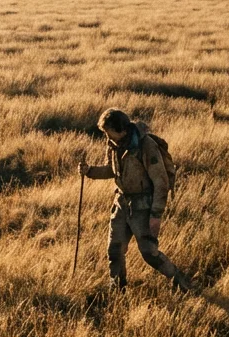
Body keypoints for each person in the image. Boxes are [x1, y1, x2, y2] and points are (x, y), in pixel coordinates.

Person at [78, 108, 194, 292]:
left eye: (110, 133)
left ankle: (182, 284)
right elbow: (112, 170)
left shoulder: (146, 146)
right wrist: (90, 171)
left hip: (143, 207)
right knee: (114, 250)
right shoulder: (114, 145)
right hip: (121, 204)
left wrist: (156, 215)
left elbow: (161, 182)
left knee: (149, 253)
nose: (108, 139)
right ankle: (117, 289)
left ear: (122, 130)